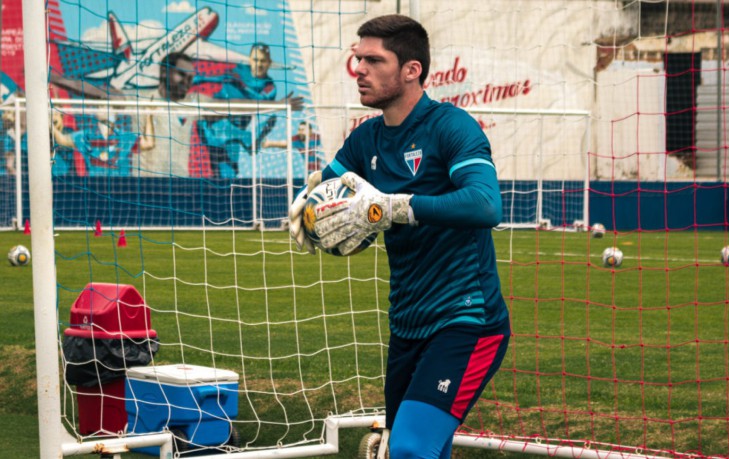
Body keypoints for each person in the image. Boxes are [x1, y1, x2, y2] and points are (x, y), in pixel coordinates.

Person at [288, 14, 509, 458]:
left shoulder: (451, 126)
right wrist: (309, 207)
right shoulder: (364, 140)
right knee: (422, 449)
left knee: (408, 448)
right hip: (407, 324)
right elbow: (325, 192)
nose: (360, 70)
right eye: (358, 59)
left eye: (374, 60)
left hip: (467, 320)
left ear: (412, 70)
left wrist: (394, 206)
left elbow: (486, 205)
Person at [195, 43, 304, 178]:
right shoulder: (239, 70)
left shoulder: (269, 87)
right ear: (250, 59)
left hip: (232, 131)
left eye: (263, 61)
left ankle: (247, 138)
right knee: (210, 116)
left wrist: (279, 105)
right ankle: (248, 138)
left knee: (227, 173)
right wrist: (198, 78)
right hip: (213, 122)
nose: (259, 64)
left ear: (269, 63)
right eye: (256, 60)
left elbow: (254, 104)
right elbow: (219, 77)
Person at [136, 52, 197, 178]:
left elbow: (232, 105)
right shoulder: (142, 100)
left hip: (180, 184)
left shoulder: (193, 103)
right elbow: (108, 94)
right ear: (164, 71)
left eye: (190, 78)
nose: (186, 82)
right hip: (147, 181)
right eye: (181, 74)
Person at [51, 109, 140, 177]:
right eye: (100, 107)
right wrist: (50, 125)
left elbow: (149, 143)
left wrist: (150, 115)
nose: (104, 111)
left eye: (107, 107)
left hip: (120, 183)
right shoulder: (85, 136)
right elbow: (62, 140)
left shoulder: (126, 137)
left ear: (115, 115)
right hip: (94, 183)